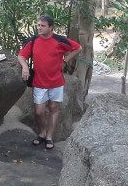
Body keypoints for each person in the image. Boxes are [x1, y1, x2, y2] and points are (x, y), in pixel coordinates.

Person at [18, 15, 82, 150]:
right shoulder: (34, 40)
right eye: (38, 25)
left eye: (43, 26)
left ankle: (49, 137)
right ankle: (42, 133)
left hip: (56, 82)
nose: (39, 28)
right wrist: (24, 66)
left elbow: (78, 48)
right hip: (39, 82)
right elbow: (22, 55)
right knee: (39, 111)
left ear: (51, 27)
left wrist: (66, 61)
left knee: (54, 108)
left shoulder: (59, 40)